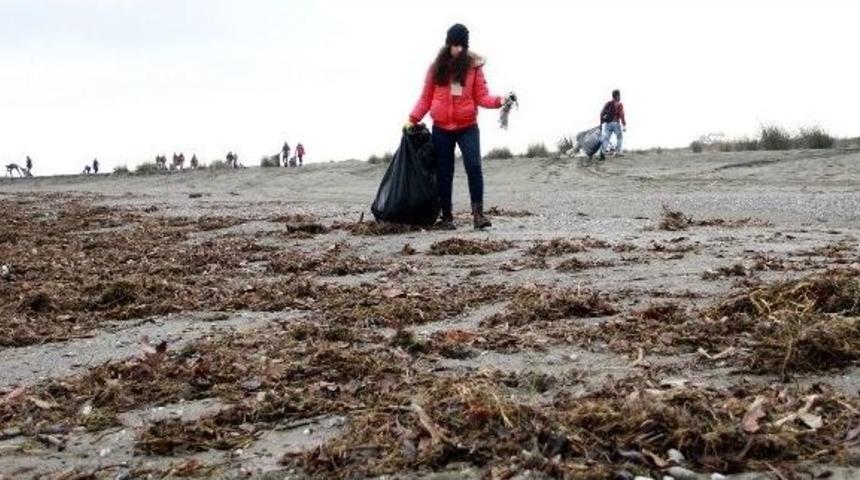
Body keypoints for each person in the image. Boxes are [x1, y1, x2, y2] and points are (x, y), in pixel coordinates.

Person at [406, 24, 512, 230]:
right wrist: (412, 118)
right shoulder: (436, 68)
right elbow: (426, 98)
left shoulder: (474, 67)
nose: (459, 49)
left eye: (462, 45)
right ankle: (447, 217)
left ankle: (478, 215)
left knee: (474, 167)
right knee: (445, 172)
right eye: (455, 45)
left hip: (467, 127)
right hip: (441, 128)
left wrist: (500, 100)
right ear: (448, 44)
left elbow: (482, 96)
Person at [599, 89, 627, 159]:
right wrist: (624, 124)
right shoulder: (619, 104)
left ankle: (602, 151)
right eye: (619, 95)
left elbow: (602, 113)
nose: (620, 97)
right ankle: (618, 152)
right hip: (615, 123)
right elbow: (622, 114)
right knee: (619, 137)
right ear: (617, 96)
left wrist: (601, 123)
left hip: (607, 124)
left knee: (606, 138)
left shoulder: (608, 103)